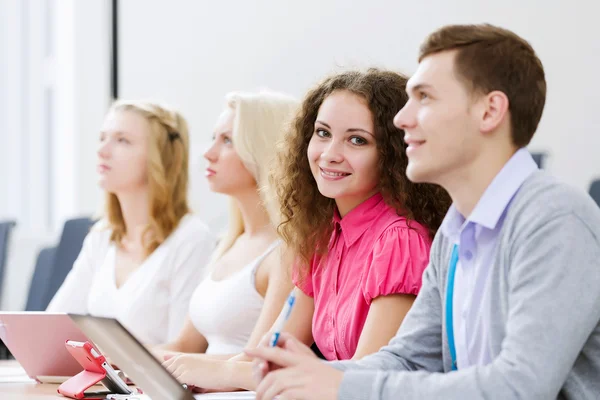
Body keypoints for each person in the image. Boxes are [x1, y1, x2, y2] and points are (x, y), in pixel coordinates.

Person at [247, 23, 600, 400]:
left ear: (490, 111)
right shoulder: (455, 232)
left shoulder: (556, 217)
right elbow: (407, 360)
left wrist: (339, 384)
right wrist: (307, 375)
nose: (401, 119)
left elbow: (518, 387)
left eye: (425, 98)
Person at [165, 69, 451, 391]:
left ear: (392, 155)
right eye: (323, 133)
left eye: (357, 140)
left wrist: (223, 374)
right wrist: (185, 373)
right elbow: (267, 357)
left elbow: (364, 381)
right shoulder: (323, 237)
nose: (330, 154)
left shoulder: (399, 240)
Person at [47, 100, 216, 345]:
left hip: (145, 384)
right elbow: (53, 328)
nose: (102, 150)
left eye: (122, 140)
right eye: (102, 137)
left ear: (161, 158)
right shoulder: (102, 237)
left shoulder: (191, 240)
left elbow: (182, 353)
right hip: (102, 382)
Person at [155, 91, 299, 370]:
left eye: (227, 141)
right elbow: (184, 345)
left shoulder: (286, 252)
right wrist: (118, 358)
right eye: (214, 138)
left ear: (263, 150)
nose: (209, 154)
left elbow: (256, 361)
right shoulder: (228, 243)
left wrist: (151, 361)